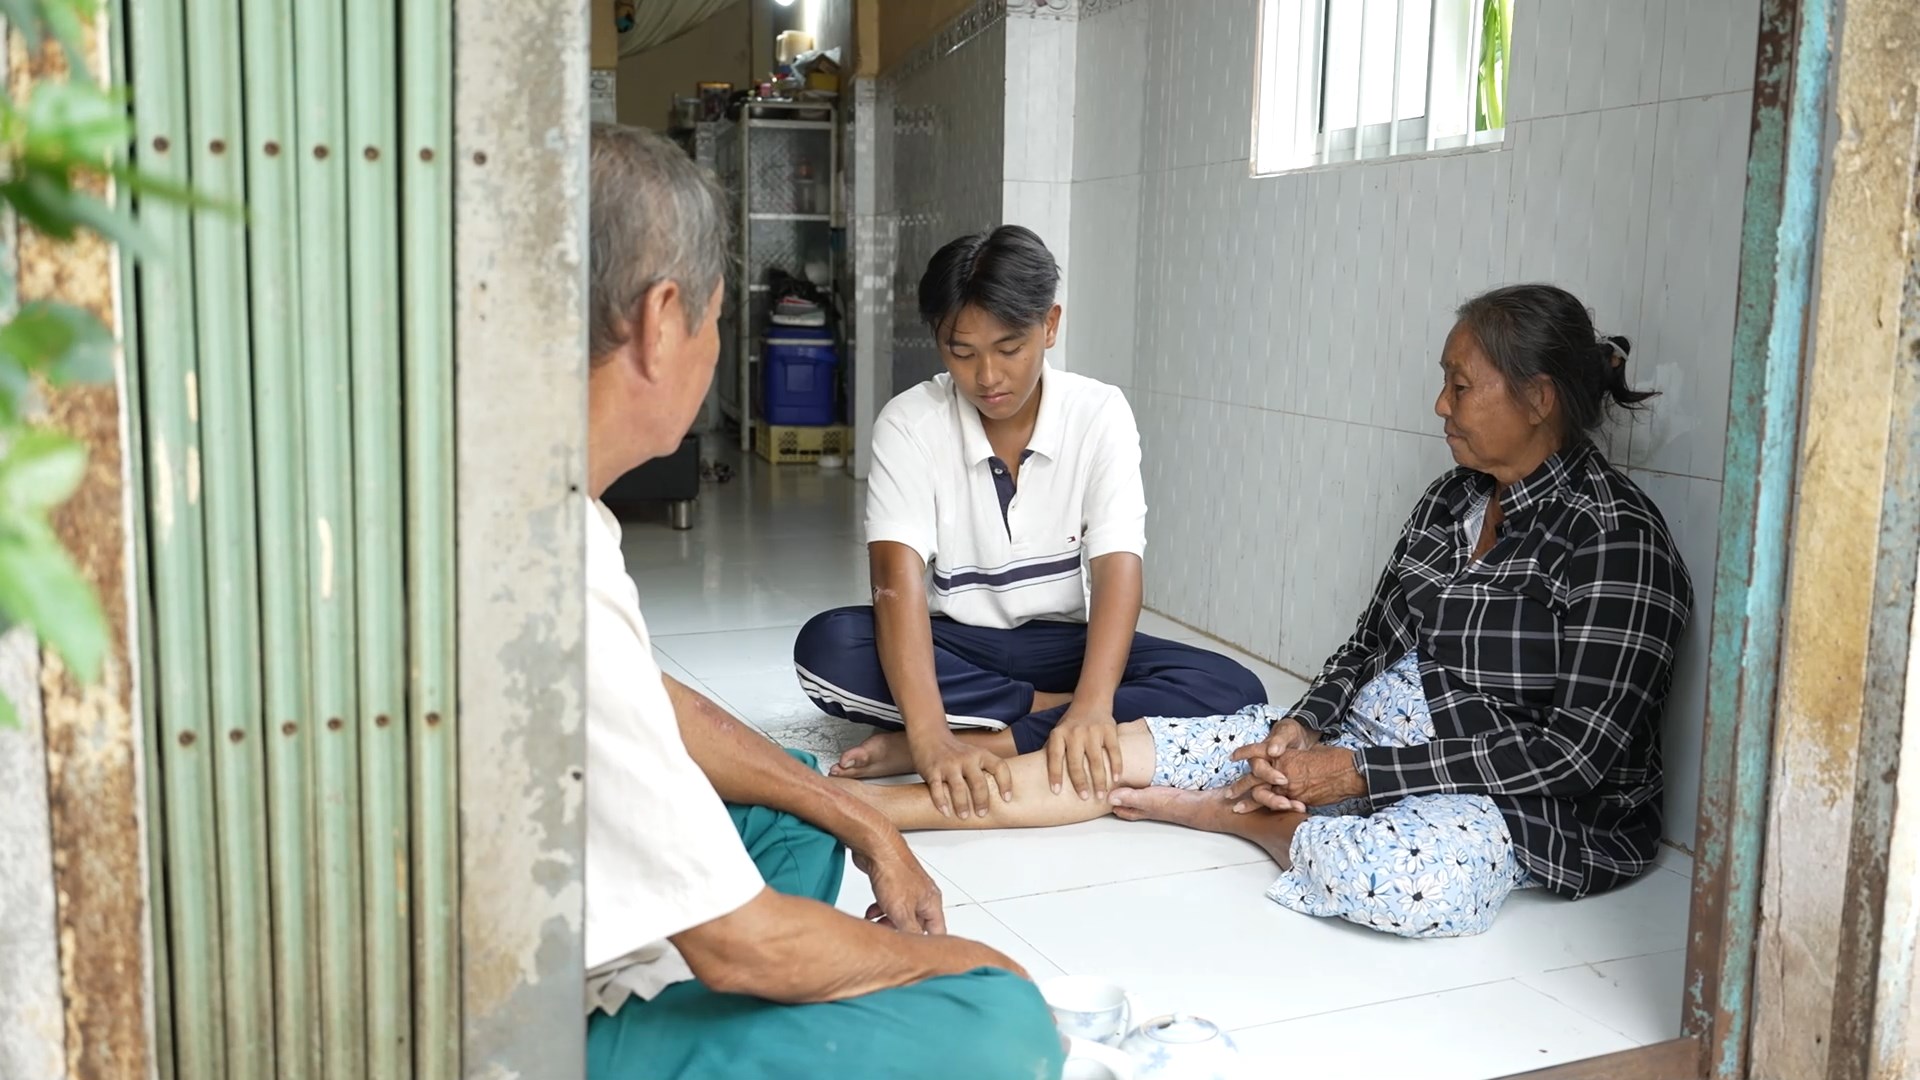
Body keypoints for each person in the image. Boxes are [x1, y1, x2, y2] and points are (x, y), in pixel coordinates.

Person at [837, 283, 1694, 939]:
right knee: (1129, 747)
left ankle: (1237, 818)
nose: (1440, 405)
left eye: (1460, 386)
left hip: (1498, 797)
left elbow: (1574, 756)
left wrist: (1362, 776)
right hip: (1374, 740)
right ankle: (854, 806)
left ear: (1538, 398)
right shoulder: (1452, 501)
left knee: (1416, 884)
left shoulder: (1615, 542)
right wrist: (1307, 727)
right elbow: (1370, 642)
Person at [581, 124, 1064, 1078]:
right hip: (506, 1025)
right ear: (660, 320)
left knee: (804, 816)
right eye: (719, 318)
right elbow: (744, 947)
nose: (991, 373)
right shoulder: (531, 558)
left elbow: (650, 705)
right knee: (999, 1024)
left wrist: (872, 822)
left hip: (1036, 654)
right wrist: (948, 965)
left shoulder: (561, 509)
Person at [792, 225, 1266, 821]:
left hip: (1061, 644)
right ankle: (1024, 720)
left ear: (1050, 325)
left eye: (1009, 347)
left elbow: (1119, 566)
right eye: (961, 352)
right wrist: (934, 735)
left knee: (1235, 689)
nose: (987, 376)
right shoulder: (909, 422)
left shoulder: (1099, 413)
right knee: (829, 647)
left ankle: (983, 738)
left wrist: (1094, 703)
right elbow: (895, 584)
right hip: (956, 642)